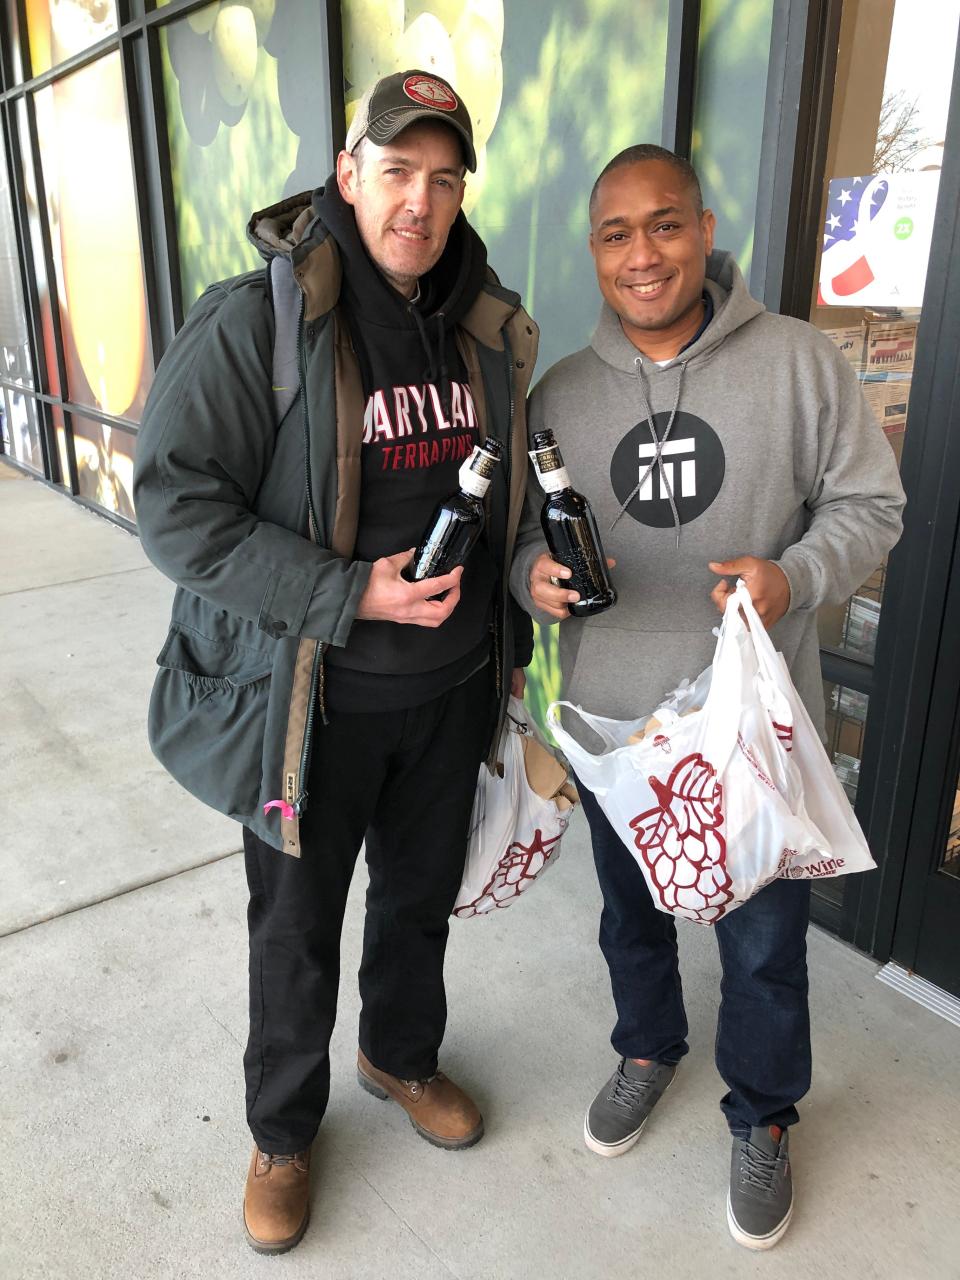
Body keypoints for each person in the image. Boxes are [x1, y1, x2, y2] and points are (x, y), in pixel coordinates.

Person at [133, 69, 537, 1255]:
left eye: (444, 177)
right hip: (312, 702)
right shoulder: (259, 318)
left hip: (449, 692)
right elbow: (174, 506)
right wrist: (346, 589)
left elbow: (504, 496)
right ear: (348, 174)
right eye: (397, 170)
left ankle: (400, 1055)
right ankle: (281, 1130)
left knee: (419, 903)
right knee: (295, 928)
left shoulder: (486, 325)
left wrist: (507, 640)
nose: (420, 199)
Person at [510, 144, 905, 1251]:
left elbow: (873, 504)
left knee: (765, 948)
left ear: (706, 226)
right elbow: (516, 549)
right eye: (618, 234)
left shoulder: (797, 363)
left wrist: (797, 576)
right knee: (630, 919)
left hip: (751, 735)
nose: (645, 254)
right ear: (595, 250)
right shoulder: (559, 395)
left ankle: (765, 1114)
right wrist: (528, 581)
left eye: (666, 225)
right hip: (616, 730)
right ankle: (647, 1047)